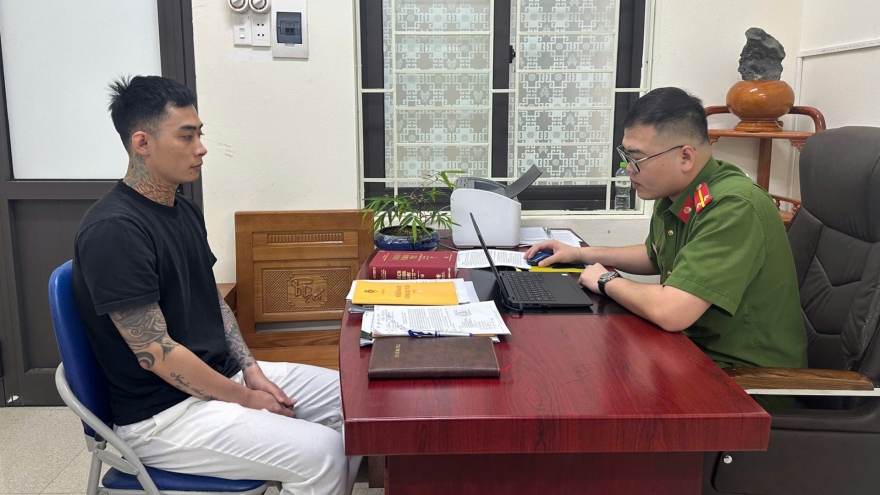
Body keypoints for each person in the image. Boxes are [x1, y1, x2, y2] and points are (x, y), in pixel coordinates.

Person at [71, 75, 360, 495]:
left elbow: (215, 304)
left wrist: (252, 371)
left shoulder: (184, 209)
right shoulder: (114, 230)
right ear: (142, 143)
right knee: (324, 454)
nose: (201, 148)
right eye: (186, 136)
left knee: (355, 399)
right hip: (163, 415)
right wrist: (247, 400)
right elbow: (156, 353)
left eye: (199, 134)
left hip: (220, 379)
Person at [525, 87, 807, 405]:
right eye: (626, 157)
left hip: (746, 382)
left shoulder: (733, 206)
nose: (627, 170)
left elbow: (671, 311)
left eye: (637, 159)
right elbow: (654, 254)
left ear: (685, 156)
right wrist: (581, 254)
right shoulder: (680, 192)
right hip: (690, 353)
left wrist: (605, 280)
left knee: (583, 392)